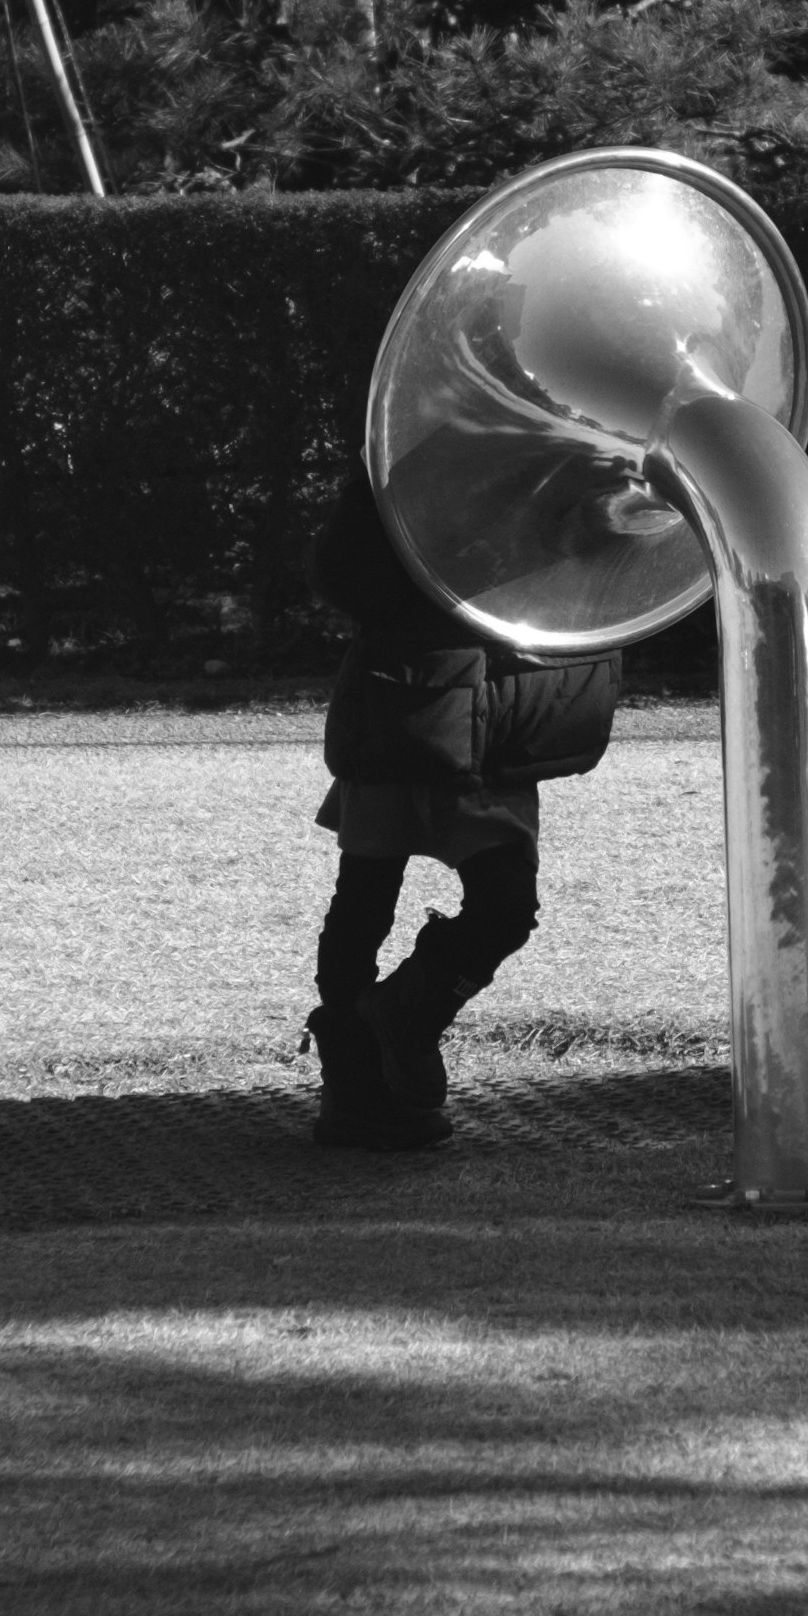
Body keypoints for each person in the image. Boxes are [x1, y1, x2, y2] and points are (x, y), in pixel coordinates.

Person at [306, 461, 619, 1149]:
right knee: (364, 904)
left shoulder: (566, 461)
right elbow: (349, 578)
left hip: (505, 714)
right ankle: (355, 1091)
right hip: (406, 706)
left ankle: (404, 1021)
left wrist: (596, 518)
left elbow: (610, 578)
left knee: (506, 906)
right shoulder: (405, 460)